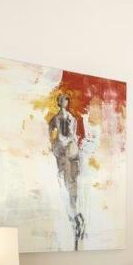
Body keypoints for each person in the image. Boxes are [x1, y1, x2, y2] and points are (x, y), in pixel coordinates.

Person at [48, 93, 85, 249]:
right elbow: (53, 137)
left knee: (72, 185)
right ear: (58, 102)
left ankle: (76, 219)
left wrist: (66, 143)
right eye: (62, 100)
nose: (64, 102)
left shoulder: (71, 118)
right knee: (66, 185)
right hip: (62, 153)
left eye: (66, 100)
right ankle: (75, 219)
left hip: (70, 152)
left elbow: (72, 136)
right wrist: (59, 145)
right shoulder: (54, 119)